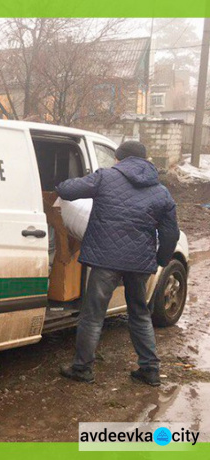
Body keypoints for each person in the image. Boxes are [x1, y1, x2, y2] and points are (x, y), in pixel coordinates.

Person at [56, 141, 180, 386]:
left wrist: (62, 182)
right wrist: (160, 260)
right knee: (140, 314)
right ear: (145, 160)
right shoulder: (161, 191)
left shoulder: (106, 177)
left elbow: (67, 191)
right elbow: (170, 234)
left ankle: (82, 368)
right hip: (139, 263)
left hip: (105, 260)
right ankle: (150, 370)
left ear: (119, 159)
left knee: (93, 316)